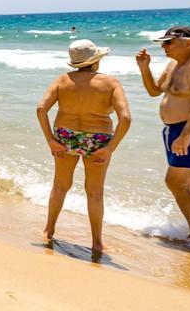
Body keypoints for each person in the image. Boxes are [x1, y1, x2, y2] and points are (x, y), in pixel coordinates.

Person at [36, 39, 131, 257]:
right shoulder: (110, 83)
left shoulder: (62, 80)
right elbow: (125, 118)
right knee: (95, 193)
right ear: (96, 61)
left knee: (60, 186)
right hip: (98, 139)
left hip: (65, 136)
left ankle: (49, 230)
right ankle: (97, 243)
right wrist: (110, 149)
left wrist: (50, 140)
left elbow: (41, 108)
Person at [136, 26, 190, 238]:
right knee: (188, 182)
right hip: (176, 130)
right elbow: (154, 91)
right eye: (162, 43)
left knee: (174, 181)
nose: (163, 47)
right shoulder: (174, 64)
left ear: (187, 42)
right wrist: (144, 68)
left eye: (168, 42)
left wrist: (186, 135)